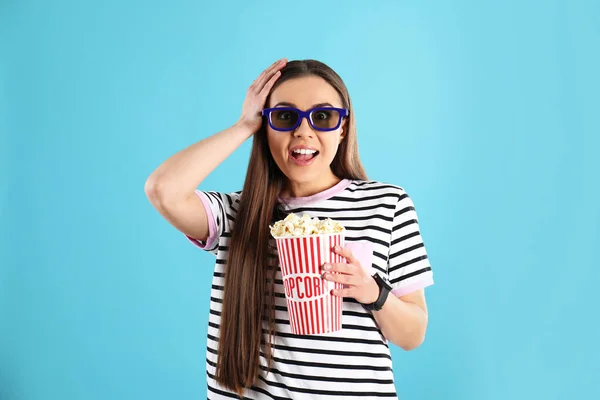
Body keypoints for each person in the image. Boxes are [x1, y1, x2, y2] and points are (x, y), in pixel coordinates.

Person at [145, 58, 434, 399]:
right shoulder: (236, 214)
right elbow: (163, 190)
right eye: (285, 117)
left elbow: (413, 334)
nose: (303, 131)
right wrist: (243, 125)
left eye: (323, 116)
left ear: (343, 127)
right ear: (266, 127)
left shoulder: (387, 205)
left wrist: (372, 291)